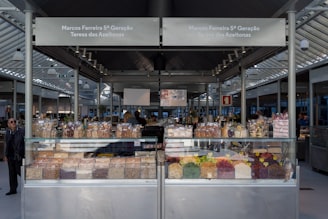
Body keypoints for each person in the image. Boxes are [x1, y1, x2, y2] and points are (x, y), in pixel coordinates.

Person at [4, 118, 25, 195]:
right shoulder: (7, 132)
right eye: (11, 122)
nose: (13, 123)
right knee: (12, 173)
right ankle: (13, 189)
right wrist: (5, 154)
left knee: (20, 171)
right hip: (10, 155)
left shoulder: (21, 131)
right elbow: (6, 144)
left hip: (19, 155)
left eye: (14, 122)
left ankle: (27, 186)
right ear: (8, 124)